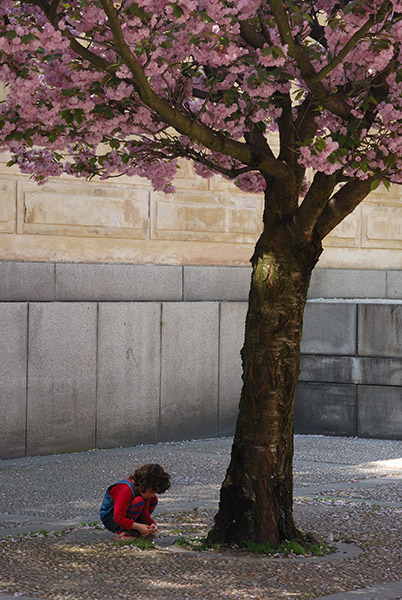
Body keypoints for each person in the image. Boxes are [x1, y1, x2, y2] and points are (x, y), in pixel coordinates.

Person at [100, 463, 171, 541]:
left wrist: (151, 524)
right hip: (112, 517)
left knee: (153, 500)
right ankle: (121, 532)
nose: (152, 495)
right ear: (144, 484)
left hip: (125, 516)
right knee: (139, 501)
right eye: (151, 491)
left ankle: (133, 529)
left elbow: (144, 512)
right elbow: (118, 518)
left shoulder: (144, 492)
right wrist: (138, 526)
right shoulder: (125, 489)